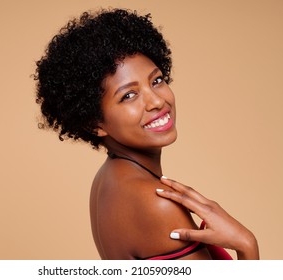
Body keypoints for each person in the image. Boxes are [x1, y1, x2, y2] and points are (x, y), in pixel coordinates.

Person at [34, 8, 259, 260]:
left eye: (157, 80)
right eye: (128, 95)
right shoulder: (156, 204)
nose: (156, 101)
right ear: (94, 123)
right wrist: (247, 245)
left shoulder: (110, 180)